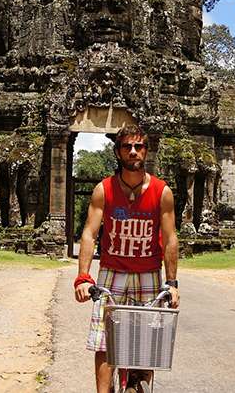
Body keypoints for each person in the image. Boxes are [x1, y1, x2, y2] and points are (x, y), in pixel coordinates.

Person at [73, 124, 180, 393]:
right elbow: (89, 233)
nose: (133, 152)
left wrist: (173, 282)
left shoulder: (161, 192)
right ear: (118, 152)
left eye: (139, 146)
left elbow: (170, 238)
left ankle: (139, 385)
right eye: (127, 147)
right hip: (112, 272)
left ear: (146, 151)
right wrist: (83, 277)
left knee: (147, 343)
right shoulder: (104, 190)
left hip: (149, 274)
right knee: (104, 343)